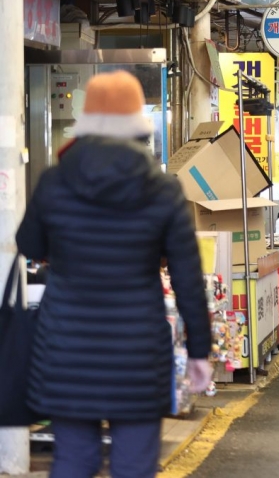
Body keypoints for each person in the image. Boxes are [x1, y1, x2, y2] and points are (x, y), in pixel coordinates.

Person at [16, 71, 213, 478]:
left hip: (66, 345)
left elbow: (29, 246)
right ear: (138, 121)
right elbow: (188, 277)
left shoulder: (55, 182)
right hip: (137, 349)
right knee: (134, 464)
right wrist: (198, 352)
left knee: (73, 460)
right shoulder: (163, 189)